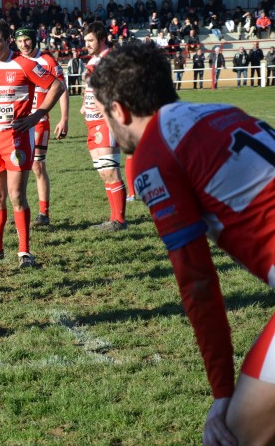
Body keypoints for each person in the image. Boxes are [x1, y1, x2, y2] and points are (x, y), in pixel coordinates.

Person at [89, 40, 275, 446]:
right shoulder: (223, 112)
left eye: (105, 115)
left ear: (119, 110)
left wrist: (222, 392)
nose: (107, 126)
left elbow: (197, 280)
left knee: (235, 436)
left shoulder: (155, 153)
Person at [0, 19, 64, 267]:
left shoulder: (24, 64)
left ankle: (25, 253)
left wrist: (37, 115)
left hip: (17, 140)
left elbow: (56, 86)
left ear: (8, 40)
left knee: (16, 196)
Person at [13, 28, 69, 229]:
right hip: (19, 121)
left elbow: (62, 90)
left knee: (38, 166)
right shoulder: (16, 60)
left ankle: (43, 213)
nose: (23, 44)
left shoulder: (48, 61)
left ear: (34, 40)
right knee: (17, 167)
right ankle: (20, 208)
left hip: (39, 120)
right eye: (20, 41)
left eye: (27, 40)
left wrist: (64, 118)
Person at [80, 21, 128, 232]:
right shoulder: (94, 61)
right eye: (85, 41)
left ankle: (119, 221)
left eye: (90, 40)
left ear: (102, 39)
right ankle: (113, 218)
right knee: (103, 172)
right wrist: (84, 104)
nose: (87, 44)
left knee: (111, 170)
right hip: (92, 121)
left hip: (106, 122)